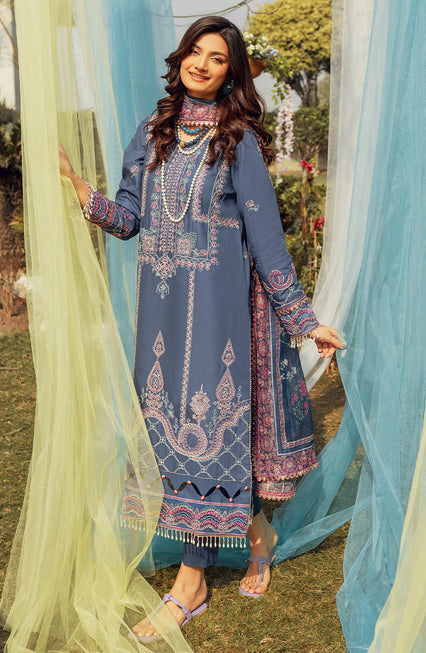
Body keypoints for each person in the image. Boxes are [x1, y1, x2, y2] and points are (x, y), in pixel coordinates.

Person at [59, 15, 343, 641]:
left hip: (221, 314)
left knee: (210, 431)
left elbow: (266, 239)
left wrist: (305, 320)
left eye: (218, 58)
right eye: (196, 51)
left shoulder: (239, 141)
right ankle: (257, 531)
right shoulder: (153, 132)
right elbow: (129, 219)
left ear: (232, 73)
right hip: (161, 313)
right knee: (166, 430)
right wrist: (81, 191)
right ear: (181, 57)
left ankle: (190, 586)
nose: (203, 64)